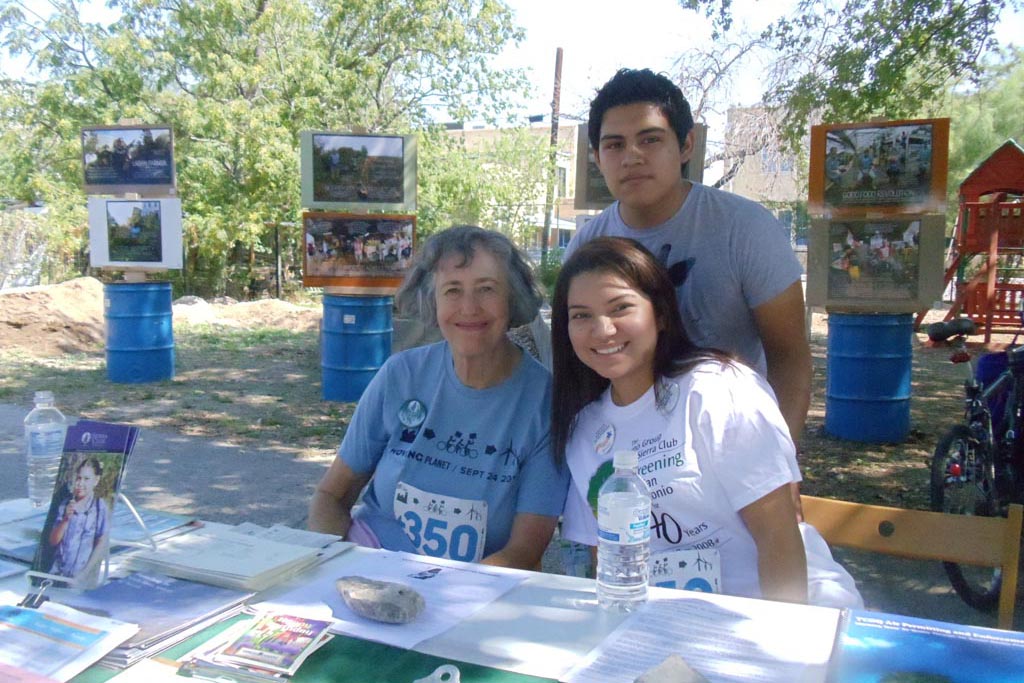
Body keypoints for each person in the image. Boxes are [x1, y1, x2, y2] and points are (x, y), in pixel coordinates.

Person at [551, 237, 861, 607]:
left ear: (661, 314)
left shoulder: (715, 389)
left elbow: (778, 534)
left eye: (620, 308)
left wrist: (783, 646)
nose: (602, 330)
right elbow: (608, 560)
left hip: (785, 612)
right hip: (674, 625)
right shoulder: (585, 430)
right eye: (581, 315)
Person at [564, 68, 811, 447]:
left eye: (650, 139)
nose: (631, 156)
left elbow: (790, 358)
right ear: (596, 156)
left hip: (731, 441)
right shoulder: (586, 244)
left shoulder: (744, 229)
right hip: (625, 450)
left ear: (686, 145)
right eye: (614, 145)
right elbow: (574, 367)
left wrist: (780, 460)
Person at [308, 225, 569, 569]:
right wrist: (336, 564)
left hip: (475, 589)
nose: (469, 307)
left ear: (513, 298)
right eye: (452, 290)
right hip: (369, 566)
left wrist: (445, 600)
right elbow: (331, 496)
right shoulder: (400, 375)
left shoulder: (544, 403)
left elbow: (524, 551)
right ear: (432, 300)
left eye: (487, 289)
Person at [47, 457, 111, 587]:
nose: (81, 483)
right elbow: (53, 541)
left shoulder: (99, 507)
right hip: (56, 574)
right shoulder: (66, 504)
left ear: (96, 480)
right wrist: (65, 520)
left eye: (86, 479)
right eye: (79, 478)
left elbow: (101, 542)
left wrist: (84, 573)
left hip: (79, 577)